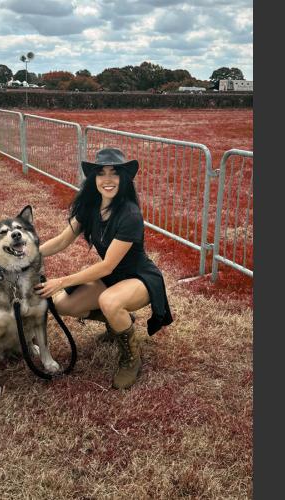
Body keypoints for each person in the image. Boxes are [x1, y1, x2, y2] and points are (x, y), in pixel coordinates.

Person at [35, 147, 173, 389]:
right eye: (101, 174)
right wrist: (30, 254)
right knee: (63, 304)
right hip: (111, 278)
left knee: (109, 301)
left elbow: (108, 266)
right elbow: (61, 240)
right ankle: (118, 322)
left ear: (124, 179)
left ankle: (131, 358)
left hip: (139, 278)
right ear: (93, 179)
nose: (107, 180)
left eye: (114, 173)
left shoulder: (130, 214)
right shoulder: (90, 208)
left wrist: (61, 281)